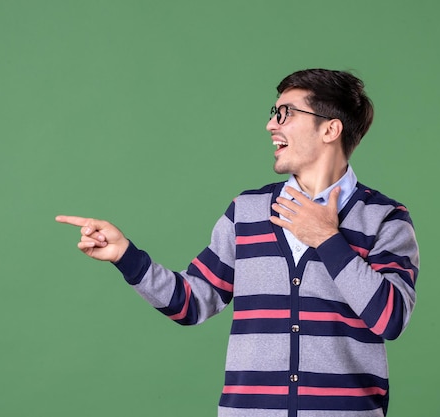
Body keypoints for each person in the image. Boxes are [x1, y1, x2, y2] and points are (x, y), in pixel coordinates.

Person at [56, 68, 419, 417]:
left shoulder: (385, 218)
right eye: (273, 113)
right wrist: (126, 256)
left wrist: (327, 238)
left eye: (285, 113)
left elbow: (390, 319)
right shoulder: (246, 212)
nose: (270, 124)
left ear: (330, 129)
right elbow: (192, 303)